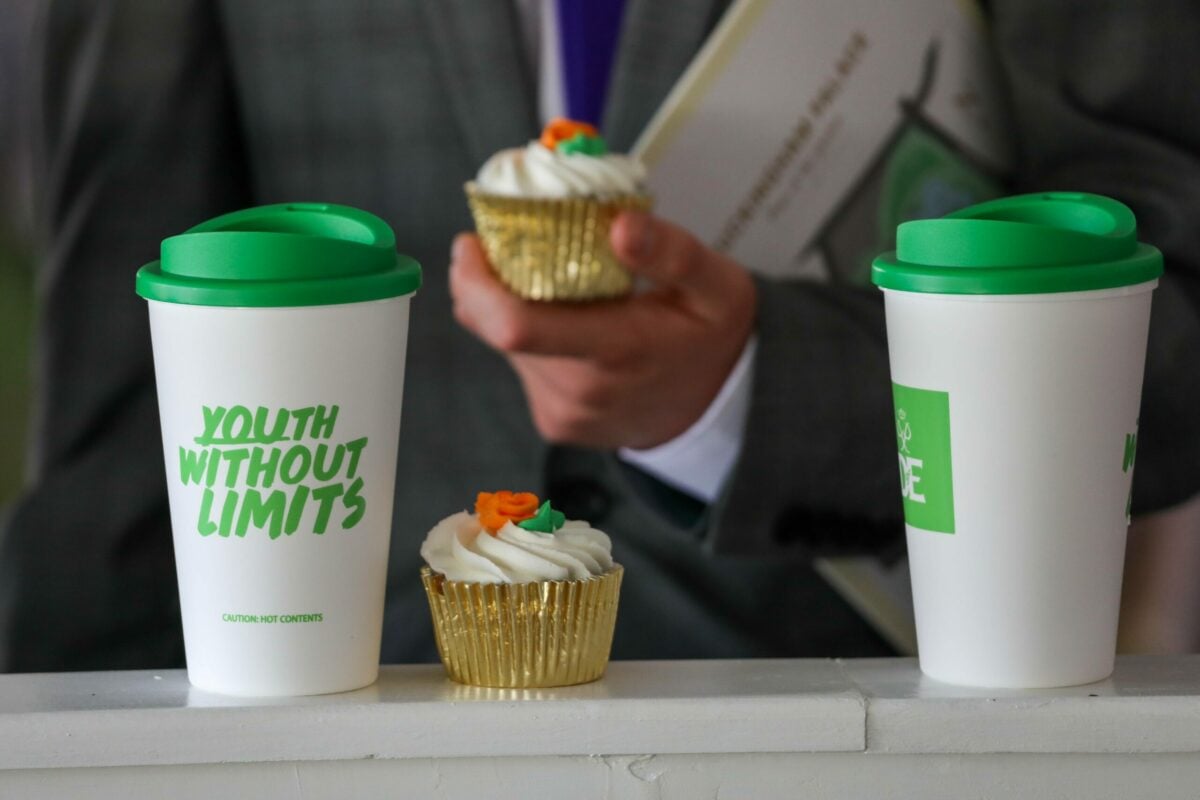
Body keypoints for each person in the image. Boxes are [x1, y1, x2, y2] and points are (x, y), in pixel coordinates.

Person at [3, 0, 1199, 672]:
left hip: (829, 707)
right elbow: (127, 388)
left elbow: (1175, 292)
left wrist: (748, 386)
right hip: (356, 697)